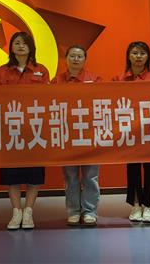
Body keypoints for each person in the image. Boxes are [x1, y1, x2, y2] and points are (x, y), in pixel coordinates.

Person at [0, 31, 49, 230]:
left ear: (31, 47)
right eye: (17, 43)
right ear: (11, 47)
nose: (21, 46)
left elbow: (47, 97)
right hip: (10, 129)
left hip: (34, 128)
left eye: (25, 43)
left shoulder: (41, 70)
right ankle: (16, 211)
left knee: (34, 172)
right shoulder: (2, 71)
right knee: (12, 173)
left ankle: (29, 211)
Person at [112, 41, 150, 223]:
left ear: (148, 56)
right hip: (129, 129)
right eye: (134, 53)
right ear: (128, 56)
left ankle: (148, 205)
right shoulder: (118, 79)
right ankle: (135, 204)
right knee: (132, 168)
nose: (138, 56)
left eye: (142, 53)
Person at [52, 45, 102, 226]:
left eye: (79, 56)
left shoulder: (95, 79)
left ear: (85, 59)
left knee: (90, 176)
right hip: (67, 133)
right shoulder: (57, 81)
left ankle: (90, 211)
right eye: (72, 56)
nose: (75, 59)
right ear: (66, 59)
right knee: (70, 175)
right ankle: (73, 211)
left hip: (90, 133)